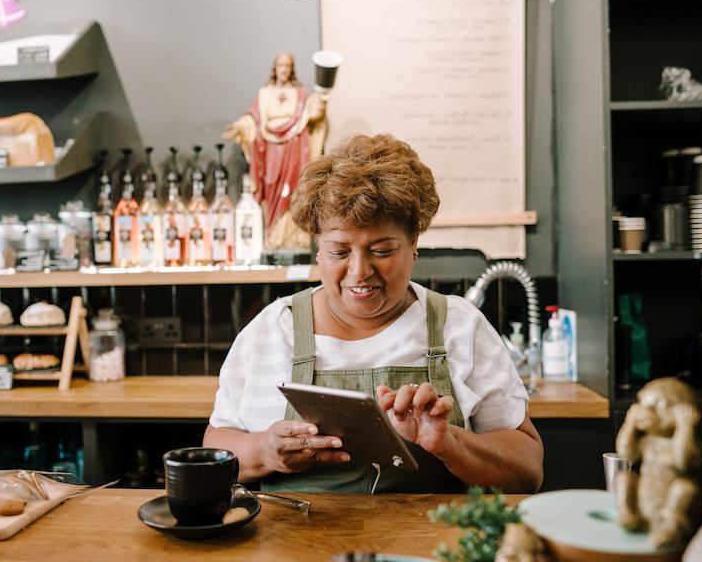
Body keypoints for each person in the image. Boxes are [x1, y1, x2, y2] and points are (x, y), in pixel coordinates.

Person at [204, 134, 543, 493]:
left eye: (381, 250)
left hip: (427, 547)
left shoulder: (460, 327)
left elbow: (528, 471)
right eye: (339, 251)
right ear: (317, 249)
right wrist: (263, 452)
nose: (359, 271)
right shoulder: (272, 331)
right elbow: (216, 446)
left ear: (414, 243)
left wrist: (450, 443)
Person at [223, 51, 327, 252]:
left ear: (292, 69)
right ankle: (274, 238)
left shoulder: (301, 93)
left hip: (293, 148)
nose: (284, 69)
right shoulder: (265, 93)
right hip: (271, 151)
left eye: (288, 66)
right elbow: (253, 119)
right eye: (281, 65)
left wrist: (322, 98)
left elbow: (314, 114)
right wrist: (239, 127)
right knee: (272, 191)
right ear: (275, 68)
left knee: (294, 190)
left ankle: (295, 239)